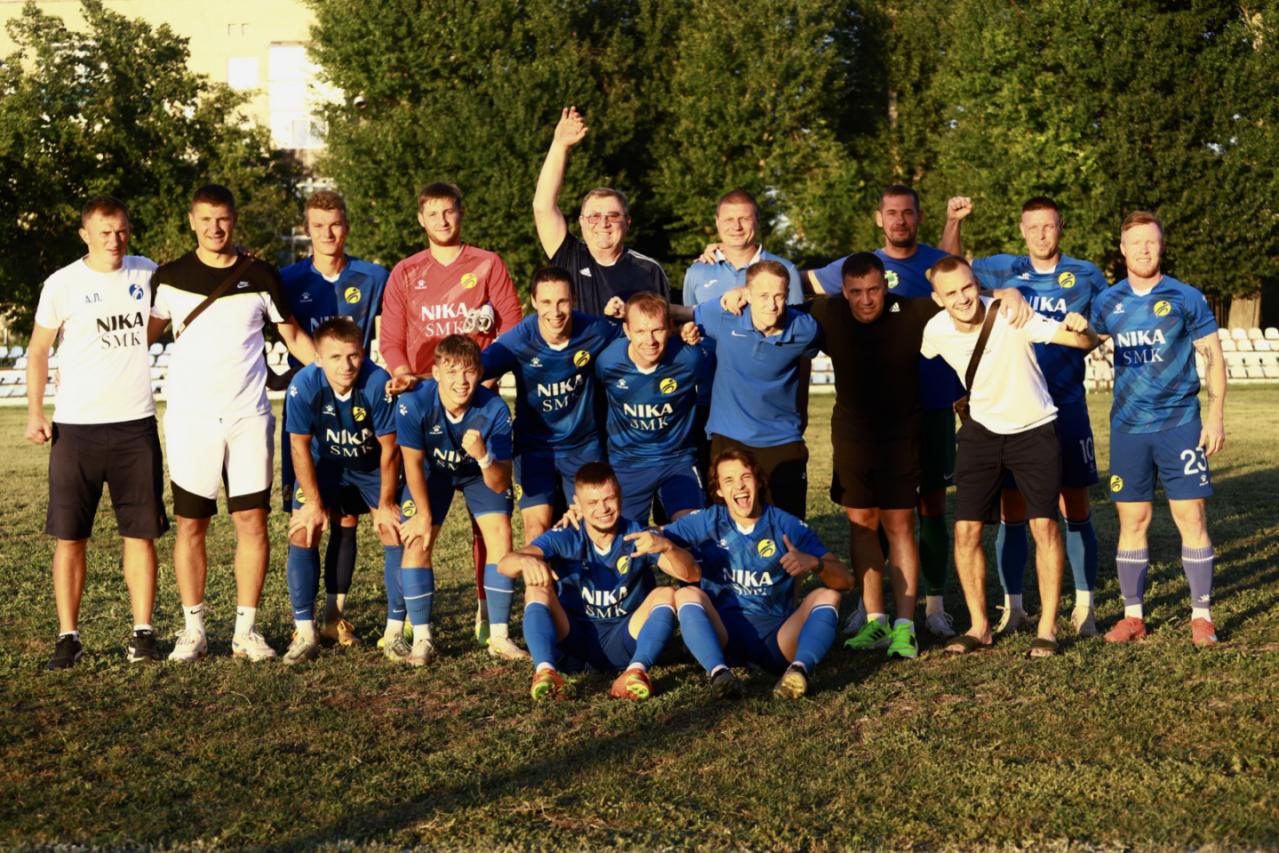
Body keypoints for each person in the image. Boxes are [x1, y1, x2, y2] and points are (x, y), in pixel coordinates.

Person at [148, 183, 316, 663]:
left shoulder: (260, 275)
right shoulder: (168, 278)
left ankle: (246, 631)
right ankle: (193, 631)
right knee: (191, 524)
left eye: (222, 219)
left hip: (248, 417)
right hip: (191, 419)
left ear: (234, 220)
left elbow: (293, 337)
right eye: (205, 219)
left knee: (252, 522)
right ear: (191, 221)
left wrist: (337, 373)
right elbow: (140, 338)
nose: (214, 228)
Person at [944, 195, 1109, 635]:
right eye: (1032, 226)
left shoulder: (1087, 274)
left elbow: (1106, 323)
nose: (1040, 234)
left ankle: (1085, 605)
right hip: (1014, 413)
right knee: (1013, 510)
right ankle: (1013, 606)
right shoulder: (1003, 268)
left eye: (1048, 225)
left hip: (1065, 406)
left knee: (1074, 505)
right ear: (1022, 229)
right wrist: (954, 223)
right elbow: (949, 273)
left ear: (1061, 226)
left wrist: (1088, 331)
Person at [806, 186, 964, 639]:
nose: (865, 299)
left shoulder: (914, 306)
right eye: (856, 292)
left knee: (917, 514)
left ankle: (924, 611)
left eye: (873, 290)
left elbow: (964, 296)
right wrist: (739, 288)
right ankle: (872, 615)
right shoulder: (829, 309)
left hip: (919, 418)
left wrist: (1007, 294)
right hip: (855, 436)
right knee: (862, 522)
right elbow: (782, 294)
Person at [921, 256, 1099, 657]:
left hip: (1034, 428)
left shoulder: (1012, 314)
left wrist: (1083, 329)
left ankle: (1047, 628)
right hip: (981, 432)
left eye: (968, 287)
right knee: (966, 531)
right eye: (951, 293)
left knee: (1044, 526)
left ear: (977, 284)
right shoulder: (934, 330)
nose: (962, 298)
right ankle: (979, 626)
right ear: (938, 299)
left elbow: (1083, 343)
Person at [26, 196, 169, 669]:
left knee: (140, 535)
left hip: (135, 425)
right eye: (104, 232)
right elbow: (39, 350)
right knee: (70, 537)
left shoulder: (147, 272)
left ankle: (143, 633)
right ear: (85, 234)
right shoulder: (62, 283)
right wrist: (35, 412)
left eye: (122, 230)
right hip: (76, 429)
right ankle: (68, 636)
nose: (115, 239)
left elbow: (177, 301)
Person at [381, 181, 523, 648]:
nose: (442, 220)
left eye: (449, 211)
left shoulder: (487, 263)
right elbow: (392, 339)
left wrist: (486, 378)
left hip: (475, 397)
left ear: (461, 213)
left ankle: (490, 616)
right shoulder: (406, 271)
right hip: (428, 402)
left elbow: (512, 329)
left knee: (494, 523)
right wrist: (405, 374)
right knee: (416, 525)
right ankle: (410, 623)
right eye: (433, 213)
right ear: (420, 219)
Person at [1090, 211, 1225, 646]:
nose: (1144, 249)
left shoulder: (1186, 297)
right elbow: (1083, 340)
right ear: (1123, 249)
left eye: (1151, 241)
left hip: (1179, 423)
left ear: (1161, 245)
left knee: (1191, 515)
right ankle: (1133, 616)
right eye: (1136, 243)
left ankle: (1201, 615)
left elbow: (1213, 357)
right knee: (1133, 520)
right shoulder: (1107, 302)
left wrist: (1216, 415)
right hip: (1128, 427)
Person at [279, 190, 391, 647]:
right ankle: (302, 625)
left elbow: (393, 329)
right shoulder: (288, 279)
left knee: (347, 520)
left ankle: (333, 617)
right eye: (318, 225)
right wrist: (324, 373)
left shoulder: (374, 276)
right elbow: (284, 329)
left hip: (358, 411)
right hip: (312, 412)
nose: (328, 233)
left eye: (336, 224)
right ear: (306, 229)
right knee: (306, 519)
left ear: (347, 226)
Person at [498, 462, 699, 701]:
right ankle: (545, 671)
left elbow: (691, 574)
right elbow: (504, 565)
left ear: (620, 495)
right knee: (536, 587)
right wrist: (525, 561)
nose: (603, 509)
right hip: (574, 640)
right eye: (592, 502)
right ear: (577, 504)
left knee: (666, 593)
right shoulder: (566, 535)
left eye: (609, 499)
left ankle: (636, 671)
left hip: (625, 639)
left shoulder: (637, 535)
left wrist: (668, 547)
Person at [664, 448, 854, 699]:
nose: (739, 486)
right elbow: (656, 536)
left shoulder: (786, 525)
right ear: (718, 490)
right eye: (729, 480)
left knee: (828, 596)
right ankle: (719, 674)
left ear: (758, 480)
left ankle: (798, 671)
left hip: (776, 638)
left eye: (745, 477)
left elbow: (846, 580)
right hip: (723, 636)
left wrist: (814, 563)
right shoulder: (708, 520)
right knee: (686, 594)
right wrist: (663, 548)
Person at [395, 334, 524, 664]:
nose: (461, 381)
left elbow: (499, 481)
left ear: (480, 373)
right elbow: (411, 462)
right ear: (436, 373)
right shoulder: (414, 402)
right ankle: (422, 639)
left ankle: (499, 636)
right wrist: (423, 515)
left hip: (477, 473)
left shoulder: (494, 408)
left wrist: (483, 456)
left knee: (501, 534)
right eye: (451, 371)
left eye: (468, 371)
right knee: (417, 539)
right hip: (431, 472)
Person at [282, 318, 403, 664]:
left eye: (352, 355)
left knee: (394, 530)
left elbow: (390, 449)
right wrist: (313, 503)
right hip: (325, 466)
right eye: (335, 357)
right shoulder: (304, 384)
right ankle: (305, 633)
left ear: (363, 353)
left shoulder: (376, 382)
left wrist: (385, 503)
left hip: (370, 467)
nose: (346, 365)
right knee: (305, 529)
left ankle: (394, 633)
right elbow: (299, 446)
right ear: (318, 358)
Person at [482, 267, 621, 542]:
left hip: (583, 446)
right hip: (534, 448)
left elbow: (639, 338)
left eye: (562, 301)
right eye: (546, 302)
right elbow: (471, 370)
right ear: (534, 301)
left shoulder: (596, 330)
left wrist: (683, 332)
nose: (555, 311)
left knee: (594, 527)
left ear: (574, 300)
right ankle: (541, 573)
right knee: (536, 531)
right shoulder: (517, 340)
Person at [688, 260, 819, 520]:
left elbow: (807, 359)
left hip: (782, 439)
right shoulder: (724, 315)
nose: (772, 305)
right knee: (728, 525)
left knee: (787, 527)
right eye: (763, 296)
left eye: (779, 296)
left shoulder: (805, 328)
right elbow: (679, 313)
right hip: (729, 436)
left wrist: (801, 414)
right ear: (747, 294)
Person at [533, 106, 670, 318]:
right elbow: (542, 206)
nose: (603, 224)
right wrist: (560, 146)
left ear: (628, 222)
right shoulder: (569, 256)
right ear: (581, 221)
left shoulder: (649, 270)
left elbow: (662, 326)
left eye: (613, 216)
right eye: (594, 217)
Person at [595, 292, 709, 524]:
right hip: (628, 463)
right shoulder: (607, 362)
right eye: (641, 331)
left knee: (692, 530)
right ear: (627, 330)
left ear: (670, 327)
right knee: (620, 537)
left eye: (657, 330)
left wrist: (688, 332)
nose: (650, 340)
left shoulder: (690, 359)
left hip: (677, 460)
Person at [682, 190, 804, 308]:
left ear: (758, 221)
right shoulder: (696, 272)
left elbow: (798, 321)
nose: (737, 227)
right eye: (729, 219)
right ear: (717, 222)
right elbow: (687, 319)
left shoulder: (787, 270)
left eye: (745, 219)